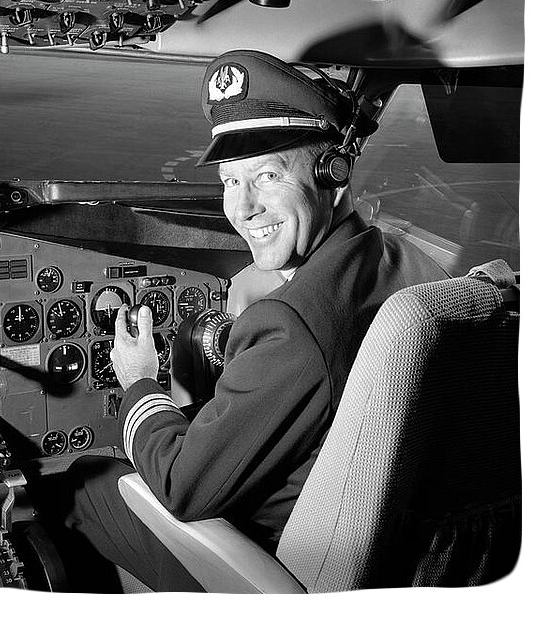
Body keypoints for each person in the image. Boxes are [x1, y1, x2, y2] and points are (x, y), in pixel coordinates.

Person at [64, 49, 447, 591]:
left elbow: (183, 486)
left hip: (280, 560)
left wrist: (140, 382)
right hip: (401, 553)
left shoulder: (291, 326)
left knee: (87, 484)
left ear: (333, 175)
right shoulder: (418, 267)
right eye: (228, 181)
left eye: (266, 176)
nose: (242, 209)